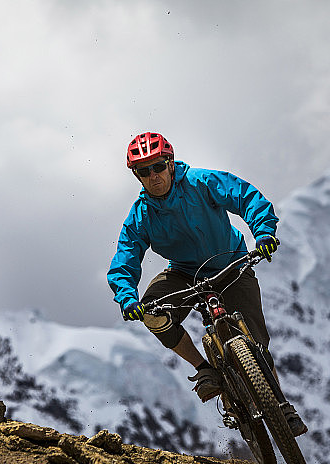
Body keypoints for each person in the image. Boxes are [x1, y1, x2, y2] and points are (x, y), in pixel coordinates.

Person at [107, 132, 307, 436]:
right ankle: (204, 369)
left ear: (170, 164)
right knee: (152, 313)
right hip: (184, 273)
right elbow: (125, 258)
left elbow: (244, 196)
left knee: (254, 342)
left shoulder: (202, 182)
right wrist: (127, 297)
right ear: (137, 176)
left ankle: (280, 405)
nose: (153, 176)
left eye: (158, 166)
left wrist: (263, 232)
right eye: (144, 171)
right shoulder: (141, 215)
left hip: (232, 264)